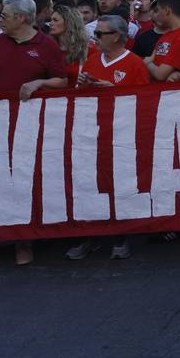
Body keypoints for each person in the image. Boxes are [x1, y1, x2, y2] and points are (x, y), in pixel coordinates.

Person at [0, 0, 67, 267]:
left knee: (24, 180)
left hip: (30, 126)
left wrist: (39, 83)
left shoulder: (46, 45)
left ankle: (24, 242)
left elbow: (62, 80)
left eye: (5, 15)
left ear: (21, 18)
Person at [64, 15, 149, 263]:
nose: (95, 38)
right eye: (95, 33)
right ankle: (88, 234)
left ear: (117, 36)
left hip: (121, 135)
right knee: (88, 184)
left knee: (118, 185)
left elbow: (145, 102)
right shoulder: (92, 60)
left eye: (100, 34)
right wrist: (82, 85)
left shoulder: (135, 64)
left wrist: (114, 90)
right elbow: (79, 98)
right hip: (91, 134)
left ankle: (120, 236)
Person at [48, 3, 90, 82]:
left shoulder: (88, 49)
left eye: (55, 20)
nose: (50, 23)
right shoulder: (47, 48)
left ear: (69, 23)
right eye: (51, 20)